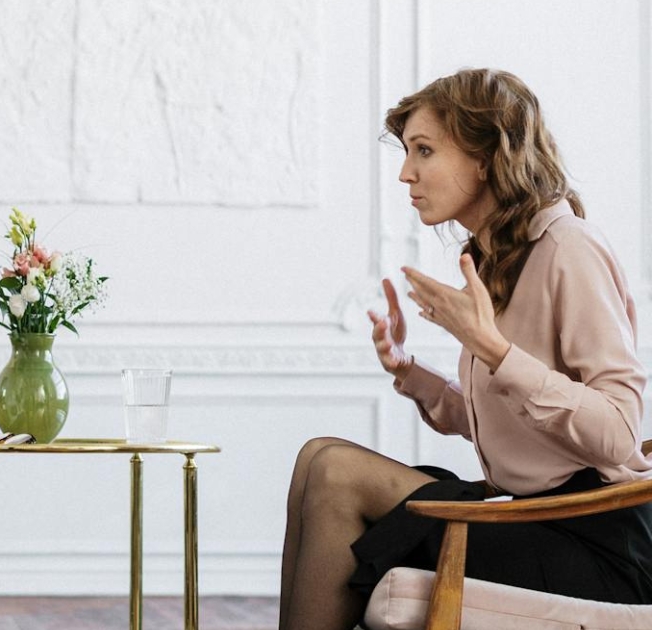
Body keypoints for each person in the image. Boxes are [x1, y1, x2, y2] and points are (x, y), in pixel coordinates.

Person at [277, 68, 652, 629]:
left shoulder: (569, 247)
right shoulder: (497, 256)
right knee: (317, 457)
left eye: (424, 151)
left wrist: (495, 351)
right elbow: (511, 427)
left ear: (486, 156)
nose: (406, 174)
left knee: (337, 472)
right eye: (407, 153)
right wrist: (411, 372)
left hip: (594, 539)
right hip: (530, 516)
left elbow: (620, 431)